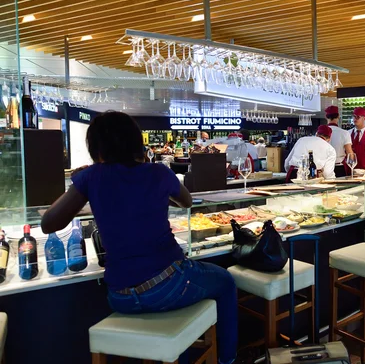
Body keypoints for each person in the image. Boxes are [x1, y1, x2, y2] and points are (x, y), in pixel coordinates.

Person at [40, 112, 238, 364]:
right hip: (169, 283)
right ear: (136, 142)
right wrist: (154, 194)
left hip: (119, 296)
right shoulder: (157, 173)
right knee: (226, 281)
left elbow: (49, 223)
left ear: (96, 147)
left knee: (185, 295)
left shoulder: (91, 177)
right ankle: (227, 360)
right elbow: (186, 201)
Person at [324, 106, 353, 177]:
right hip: (339, 167)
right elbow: (350, 154)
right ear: (338, 117)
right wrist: (352, 168)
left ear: (326, 117)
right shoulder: (344, 133)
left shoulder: (319, 133)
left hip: (324, 168)